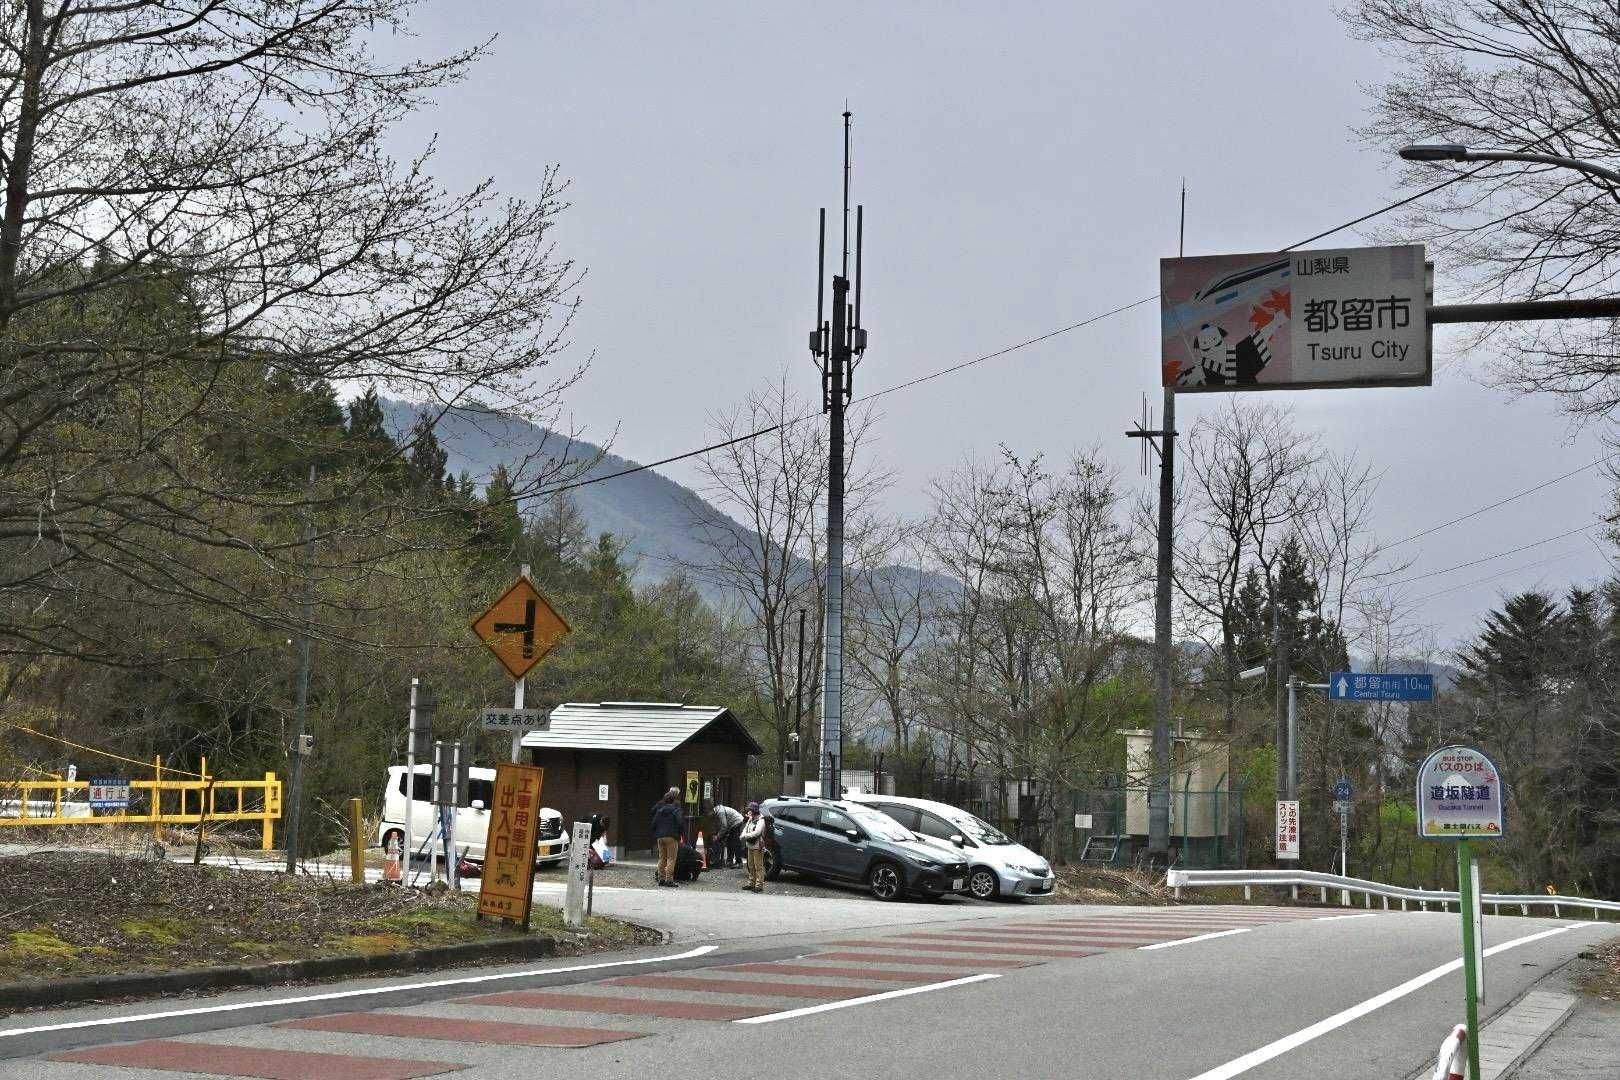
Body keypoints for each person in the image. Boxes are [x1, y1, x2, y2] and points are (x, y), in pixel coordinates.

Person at [650, 788, 685, 887]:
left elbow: (653, 824)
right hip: (672, 836)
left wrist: (657, 832)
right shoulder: (676, 810)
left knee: (662, 858)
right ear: (674, 800)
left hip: (660, 837)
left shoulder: (660, 810)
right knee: (671, 859)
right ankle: (669, 880)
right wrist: (680, 833)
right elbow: (680, 823)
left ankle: (661, 878)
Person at [740, 801, 768, 893]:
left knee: (758, 866)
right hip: (750, 845)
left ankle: (759, 885)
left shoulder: (761, 820)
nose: (748, 811)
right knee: (751, 865)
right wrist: (743, 835)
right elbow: (745, 828)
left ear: (754, 811)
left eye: (750, 810)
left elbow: (757, 832)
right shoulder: (751, 819)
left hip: (758, 846)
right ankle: (751, 883)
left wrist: (745, 836)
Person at [710, 801, 743, 868]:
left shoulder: (720, 813)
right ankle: (729, 861)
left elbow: (724, 826)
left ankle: (739, 862)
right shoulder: (716, 811)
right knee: (729, 842)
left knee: (735, 842)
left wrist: (717, 836)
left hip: (736, 821)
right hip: (732, 823)